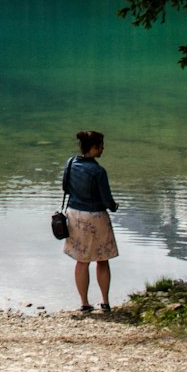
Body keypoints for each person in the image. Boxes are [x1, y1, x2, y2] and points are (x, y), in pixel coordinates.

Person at [62, 129, 118, 313]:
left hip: (75, 215)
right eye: (101, 146)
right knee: (102, 259)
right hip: (95, 217)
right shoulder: (98, 171)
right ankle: (105, 302)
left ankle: (85, 303)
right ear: (93, 148)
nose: (103, 149)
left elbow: (65, 187)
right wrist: (114, 206)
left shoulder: (70, 163)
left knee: (81, 260)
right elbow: (106, 200)